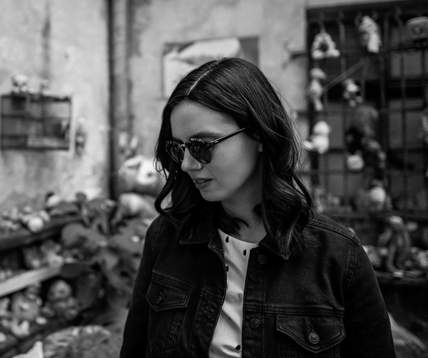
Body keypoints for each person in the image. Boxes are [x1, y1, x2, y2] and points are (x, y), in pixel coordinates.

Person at [119, 58, 394, 357]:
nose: (187, 164)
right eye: (179, 148)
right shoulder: (167, 237)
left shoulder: (338, 256)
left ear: (260, 135)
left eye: (203, 145)